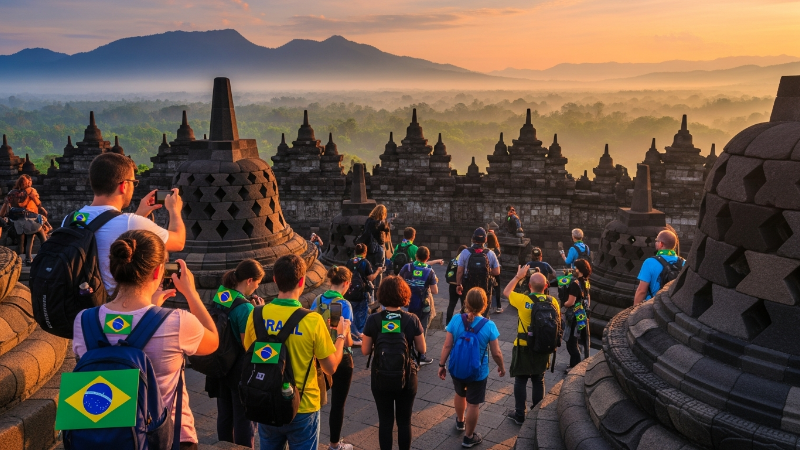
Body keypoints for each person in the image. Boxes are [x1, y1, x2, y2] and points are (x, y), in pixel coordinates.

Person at [72, 230, 220, 449]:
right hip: (166, 439)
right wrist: (191, 293)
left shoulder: (83, 320)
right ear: (159, 271)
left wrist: (151, 314)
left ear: (114, 269)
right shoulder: (177, 322)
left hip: (99, 437)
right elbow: (213, 341)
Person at [243, 254, 350, 450]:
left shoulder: (256, 314)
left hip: (266, 400)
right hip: (303, 405)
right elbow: (331, 367)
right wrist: (341, 336)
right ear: (302, 281)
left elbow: (249, 351)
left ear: (275, 280)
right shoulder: (312, 321)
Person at [64, 152, 186, 293]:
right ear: (124, 185)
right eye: (134, 183)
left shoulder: (70, 219)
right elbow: (178, 242)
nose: (134, 187)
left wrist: (140, 213)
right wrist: (174, 209)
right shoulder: (130, 222)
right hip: (108, 307)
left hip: (76, 304)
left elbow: (119, 230)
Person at [361, 276, 426, 450]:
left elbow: (365, 351)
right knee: (405, 421)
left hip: (380, 375)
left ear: (382, 294)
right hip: (407, 375)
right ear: (404, 295)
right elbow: (422, 348)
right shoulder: (411, 319)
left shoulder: (373, 319)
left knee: (385, 421)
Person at [207, 259, 265, 448]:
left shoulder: (221, 294)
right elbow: (247, 345)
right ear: (249, 280)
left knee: (224, 414)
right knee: (243, 418)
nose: (257, 287)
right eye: (257, 283)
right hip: (238, 370)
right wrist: (257, 313)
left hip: (219, 364)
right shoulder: (246, 308)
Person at [439, 288, 505, 448]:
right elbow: (496, 352)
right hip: (478, 372)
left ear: (466, 303)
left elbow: (447, 345)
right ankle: (469, 437)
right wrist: (501, 367)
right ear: (485, 304)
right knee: (474, 404)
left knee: (460, 394)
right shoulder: (489, 325)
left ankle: (460, 421)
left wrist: (441, 365)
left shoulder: (456, 320)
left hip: (457, 368)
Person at [503, 267, 560, 425]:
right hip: (543, 346)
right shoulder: (553, 302)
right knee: (538, 379)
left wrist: (517, 276)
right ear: (546, 286)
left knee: (521, 380)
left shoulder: (523, 300)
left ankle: (520, 414)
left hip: (523, 345)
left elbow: (506, 292)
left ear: (529, 286)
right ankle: (536, 414)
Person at [310, 266, 356, 450]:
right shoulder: (344, 305)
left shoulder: (317, 300)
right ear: (346, 283)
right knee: (338, 403)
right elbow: (347, 340)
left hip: (318, 357)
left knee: (315, 399)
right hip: (340, 357)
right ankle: (334, 444)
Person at [399, 246, 439, 366]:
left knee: (407, 327)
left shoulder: (407, 267)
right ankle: (421, 355)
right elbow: (435, 291)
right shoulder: (430, 271)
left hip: (408, 303)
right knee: (422, 329)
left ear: (416, 256)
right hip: (423, 305)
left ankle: (409, 353)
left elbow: (399, 281)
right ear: (427, 257)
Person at [0, 175, 48, 265]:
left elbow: (4, 211)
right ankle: (46, 255)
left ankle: (28, 258)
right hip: (30, 219)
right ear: (26, 183)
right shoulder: (30, 191)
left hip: (18, 222)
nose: (30, 183)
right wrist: (33, 198)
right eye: (29, 181)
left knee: (27, 240)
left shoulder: (12, 193)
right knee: (40, 236)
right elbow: (38, 204)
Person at [456, 227, 501, 317]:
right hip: (485, 287)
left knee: (468, 311)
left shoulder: (465, 252)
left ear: (473, 238)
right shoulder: (490, 253)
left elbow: (460, 271)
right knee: (484, 312)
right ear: (485, 239)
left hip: (469, 286)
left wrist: (458, 284)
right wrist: (486, 270)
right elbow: (497, 271)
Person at [345, 243, 384, 344]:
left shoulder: (349, 261)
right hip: (361, 293)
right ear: (365, 252)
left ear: (355, 252)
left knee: (350, 314)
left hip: (349, 292)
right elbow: (370, 278)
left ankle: (351, 334)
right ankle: (358, 337)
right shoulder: (365, 262)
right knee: (361, 315)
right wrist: (378, 271)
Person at [634, 230, 684, 305]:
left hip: (653, 305)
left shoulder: (650, 262)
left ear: (661, 244)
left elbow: (641, 291)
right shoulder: (684, 262)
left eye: (656, 240)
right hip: (675, 305)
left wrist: (634, 310)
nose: (655, 242)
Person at [563, 259, 592, 371]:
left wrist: (564, 304)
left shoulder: (575, 284)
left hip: (574, 316)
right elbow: (587, 299)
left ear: (579, 270)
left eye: (575, 268)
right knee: (575, 340)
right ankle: (572, 364)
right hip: (582, 315)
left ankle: (576, 366)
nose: (574, 270)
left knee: (570, 342)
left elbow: (570, 302)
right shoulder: (586, 281)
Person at [361, 205, 391, 278]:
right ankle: (377, 287)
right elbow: (386, 229)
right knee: (379, 269)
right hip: (378, 248)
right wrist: (387, 222)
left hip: (368, 247)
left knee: (369, 268)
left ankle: (370, 285)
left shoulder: (368, 221)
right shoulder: (379, 223)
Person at [446, 245, 468, 325]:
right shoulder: (465, 261)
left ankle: (448, 324)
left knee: (451, 304)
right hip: (461, 285)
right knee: (464, 305)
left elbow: (447, 273)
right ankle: (464, 323)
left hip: (452, 284)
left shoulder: (452, 261)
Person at [486, 231, 503, 313]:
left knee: (487, 289)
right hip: (496, 271)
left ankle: (486, 306)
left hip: (487, 272)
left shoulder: (485, 250)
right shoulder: (497, 250)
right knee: (497, 289)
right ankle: (498, 306)